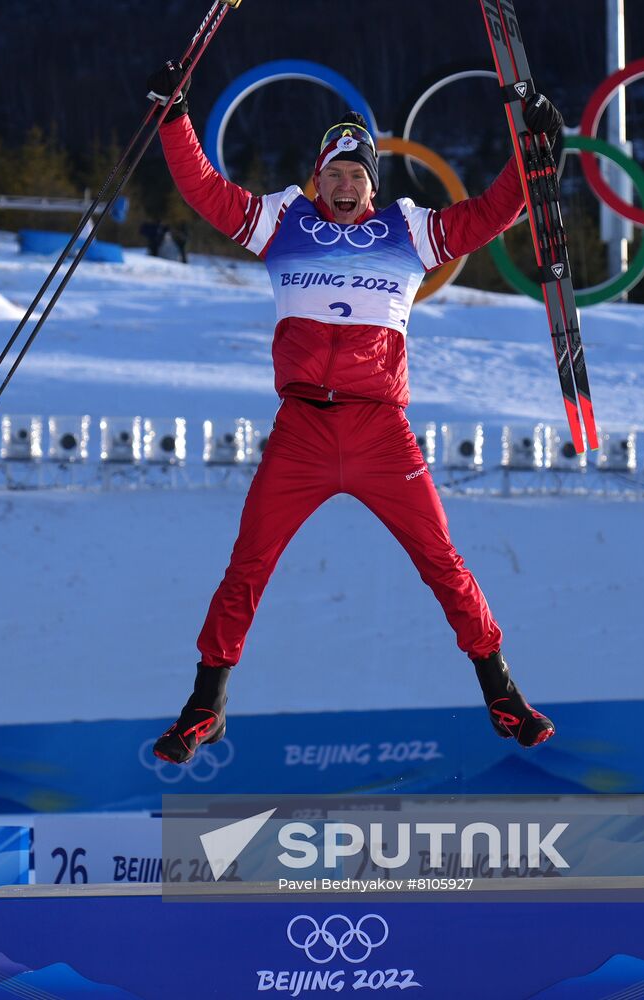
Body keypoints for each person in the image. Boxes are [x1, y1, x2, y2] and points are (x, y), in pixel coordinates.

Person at [143, 61, 563, 765]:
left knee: (443, 562)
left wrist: (534, 152)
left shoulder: (409, 230)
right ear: (319, 178)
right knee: (249, 563)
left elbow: (492, 212)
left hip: (380, 433)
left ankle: (501, 693)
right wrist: (176, 119)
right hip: (302, 430)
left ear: (374, 184)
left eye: (357, 175)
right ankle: (205, 705)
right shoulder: (282, 221)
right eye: (335, 172)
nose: (345, 185)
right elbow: (205, 192)